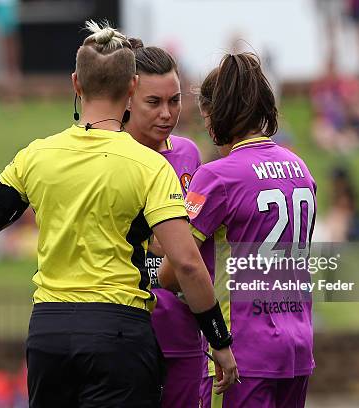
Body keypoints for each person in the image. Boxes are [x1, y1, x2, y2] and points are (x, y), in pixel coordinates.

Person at [0, 21, 238, 407]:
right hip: (117, 331)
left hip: (48, 333)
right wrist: (219, 340)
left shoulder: (36, 155)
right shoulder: (148, 165)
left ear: (76, 83)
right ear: (132, 87)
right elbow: (187, 263)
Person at [160, 53, 316, 407]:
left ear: (216, 116)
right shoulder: (300, 168)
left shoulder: (217, 176)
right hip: (299, 342)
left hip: (242, 351)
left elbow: (173, 272)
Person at [124, 38, 204, 408]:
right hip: (126, 331)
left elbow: (194, 241)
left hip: (185, 333)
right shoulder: (108, 155)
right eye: (154, 102)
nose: (167, 114)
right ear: (128, 97)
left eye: (174, 101)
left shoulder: (189, 153)